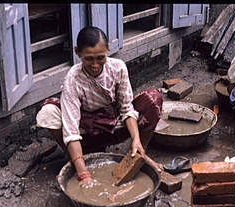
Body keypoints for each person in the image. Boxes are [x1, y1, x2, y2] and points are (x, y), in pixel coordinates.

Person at [36, 26, 163, 187]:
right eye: (89, 59)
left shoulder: (118, 68)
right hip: (86, 127)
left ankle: (138, 155)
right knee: (48, 112)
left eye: (100, 58)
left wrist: (136, 139)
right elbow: (71, 128)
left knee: (153, 98)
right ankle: (74, 161)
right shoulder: (73, 79)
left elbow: (126, 108)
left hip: (114, 122)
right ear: (77, 52)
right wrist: (84, 175)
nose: (95, 64)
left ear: (108, 49)